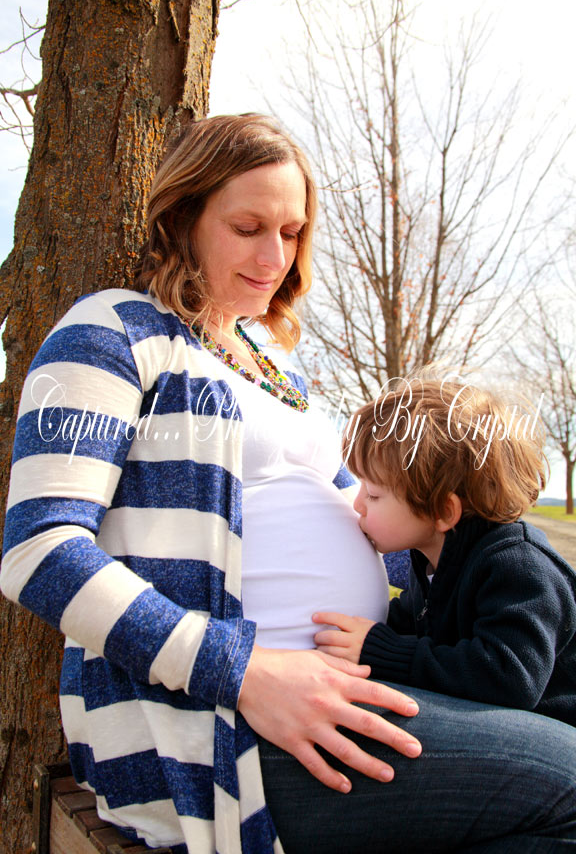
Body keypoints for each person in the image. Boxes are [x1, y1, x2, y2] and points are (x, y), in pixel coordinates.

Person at [1, 114, 576, 854]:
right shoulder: (113, 332)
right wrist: (243, 673)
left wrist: (506, 569)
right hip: (224, 728)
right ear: (183, 218)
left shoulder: (280, 371)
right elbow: (40, 551)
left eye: (293, 232)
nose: (275, 256)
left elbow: (384, 529)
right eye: (248, 228)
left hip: (357, 686)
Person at [313, 378, 576, 727]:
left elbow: (508, 676)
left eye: (374, 495)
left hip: (554, 737)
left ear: (442, 511)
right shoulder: (433, 560)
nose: (357, 504)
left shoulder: (518, 567)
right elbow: (409, 621)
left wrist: (379, 650)